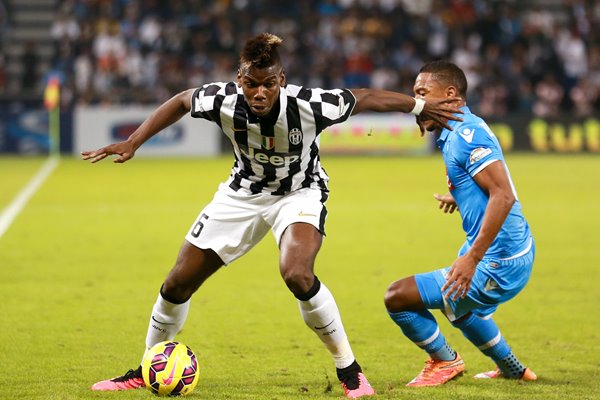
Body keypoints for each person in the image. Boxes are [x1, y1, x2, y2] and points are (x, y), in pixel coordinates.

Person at [83, 33, 460, 399]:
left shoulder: (310, 105)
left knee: (297, 273)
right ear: (239, 81)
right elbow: (182, 101)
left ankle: (349, 370)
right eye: (251, 84)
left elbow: (365, 98)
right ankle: (146, 368)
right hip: (242, 194)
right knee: (177, 284)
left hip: (300, 192)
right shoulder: (222, 99)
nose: (259, 93)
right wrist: (134, 142)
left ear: (281, 80)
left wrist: (418, 106)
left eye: (268, 84)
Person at [384, 60, 537, 387]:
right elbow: (493, 185)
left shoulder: (465, 135)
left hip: (500, 259)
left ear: (451, 94)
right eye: (414, 94)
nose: (416, 102)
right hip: (510, 245)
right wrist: (464, 197)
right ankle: (512, 368)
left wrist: (472, 258)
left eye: (423, 93)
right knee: (456, 304)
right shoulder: (462, 128)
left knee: (398, 297)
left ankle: (445, 361)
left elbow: (503, 195)